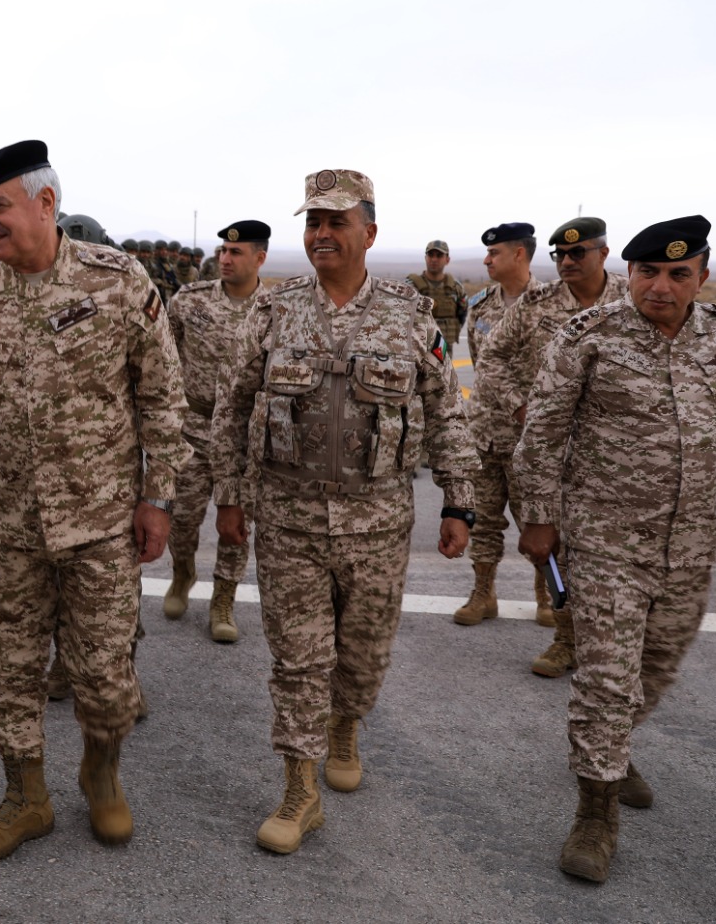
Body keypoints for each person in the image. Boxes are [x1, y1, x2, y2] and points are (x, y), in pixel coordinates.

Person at [0, 140, 188, 862]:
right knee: (12, 670)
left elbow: (162, 395)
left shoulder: (117, 281)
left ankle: (101, 773)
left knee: (106, 677)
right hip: (13, 528)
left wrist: (159, 497)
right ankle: (26, 797)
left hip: (102, 525)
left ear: (45, 203)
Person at [211, 169, 477, 855]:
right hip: (289, 518)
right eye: (313, 222)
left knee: (362, 656)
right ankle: (299, 791)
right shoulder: (274, 311)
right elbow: (231, 408)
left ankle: (345, 724)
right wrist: (230, 496)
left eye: (336, 222)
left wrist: (459, 501)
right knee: (298, 661)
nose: (322, 234)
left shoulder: (409, 314)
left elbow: (445, 410)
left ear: (370, 232)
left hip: (378, 521)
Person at [511, 216, 716, 884]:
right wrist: (538, 519)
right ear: (628, 273)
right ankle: (595, 814)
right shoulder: (589, 336)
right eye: (648, 272)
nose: (660, 286)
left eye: (678, 274)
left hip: (688, 545)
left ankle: (613, 749)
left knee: (656, 668)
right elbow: (542, 433)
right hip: (604, 542)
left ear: (702, 277)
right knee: (605, 678)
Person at [477, 217, 629, 677]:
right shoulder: (536, 304)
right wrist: (519, 406)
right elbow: (491, 357)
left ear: (603, 253)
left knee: (615, 553)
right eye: (559, 254)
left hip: (620, 452)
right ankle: (566, 640)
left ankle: (618, 647)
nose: (566, 261)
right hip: (554, 448)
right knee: (557, 544)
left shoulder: (633, 298)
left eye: (577, 253)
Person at [162, 220, 270, 642]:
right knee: (181, 518)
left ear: (259, 258)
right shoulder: (189, 301)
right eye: (222, 250)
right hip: (192, 428)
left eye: (235, 252)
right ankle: (182, 573)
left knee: (236, 525)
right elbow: (164, 358)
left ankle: (223, 598)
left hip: (243, 437)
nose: (225, 258)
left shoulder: (275, 310)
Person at [453, 222, 552, 628]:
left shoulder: (551, 305)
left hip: (532, 435)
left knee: (539, 519)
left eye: (494, 253)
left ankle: (548, 596)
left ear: (519, 254)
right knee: (484, 519)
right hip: (486, 432)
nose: (486, 260)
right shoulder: (480, 306)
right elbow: (482, 366)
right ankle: (483, 593)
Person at [407, 240, 467, 348]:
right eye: (430, 255)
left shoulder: (455, 288)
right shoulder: (411, 286)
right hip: (417, 346)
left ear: (447, 260)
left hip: (444, 347)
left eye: (439, 255)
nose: (434, 259)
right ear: (425, 258)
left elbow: (462, 314)